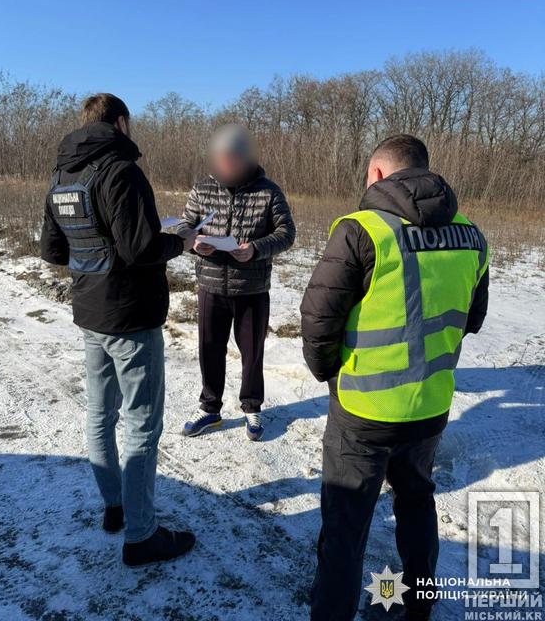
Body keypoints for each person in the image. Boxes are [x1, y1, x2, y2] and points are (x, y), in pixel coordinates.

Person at [301, 135, 489, 621]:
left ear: (379, 174)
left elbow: (318, 320)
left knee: (345, 524)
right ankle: (418, 608)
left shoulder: (361, 230)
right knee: (417, 504)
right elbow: (473, 318)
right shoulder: (472, 236)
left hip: (364, 411)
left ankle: (331, 612)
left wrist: (328, 373)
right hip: (430, 405)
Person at [40, 93, 198, 567]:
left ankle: (115, 507)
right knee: (142, 424)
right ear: (121, 123)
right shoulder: (120, 171)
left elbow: (52, 250)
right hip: (130, 316)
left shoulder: (62, 175)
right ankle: (142, 534)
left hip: (90, 312)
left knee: (99, 414)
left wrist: (94, 252)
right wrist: (182, 241)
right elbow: (140, 248)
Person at [179, 123, 295, 440]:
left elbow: (287, 233)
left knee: (252, 352)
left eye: (232, 159)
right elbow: (184, 226)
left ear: (246, 158)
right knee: (209, 349)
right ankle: (210, 408)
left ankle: (252, 407)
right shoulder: (202, 189)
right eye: (221, 158)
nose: (226, 165)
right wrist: (193, 242)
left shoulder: (268, 191)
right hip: (211, 284)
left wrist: (256, 249)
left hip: (252, 288)